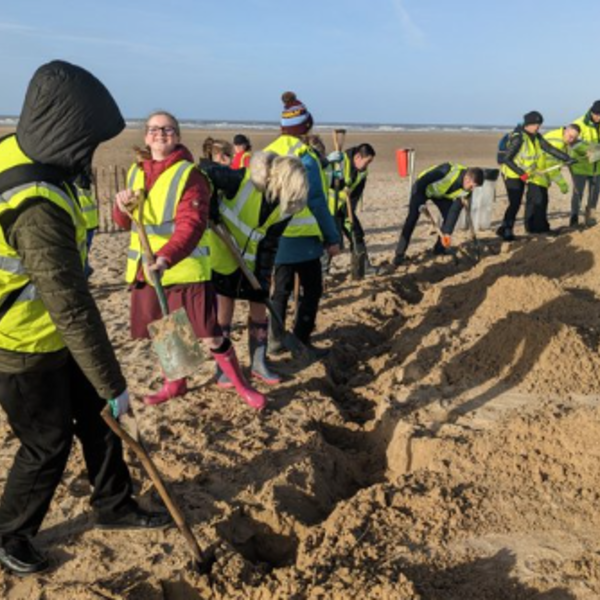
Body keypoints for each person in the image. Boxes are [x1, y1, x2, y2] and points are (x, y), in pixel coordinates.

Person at [0, 60, 171, 577]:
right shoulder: (36, 207)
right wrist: (114, 380)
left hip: (53, 336)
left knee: (102, 419)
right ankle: (12, 533)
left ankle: (114, 504)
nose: (90, 153)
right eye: (87, 140)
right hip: (21, 345)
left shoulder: (25, 150)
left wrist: (106, 390)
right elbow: (70, 306)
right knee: (46, 443)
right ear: (64, 131)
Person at [113, 111, 266, 410]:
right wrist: (121, 206)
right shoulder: (135, 172)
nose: (160, 134)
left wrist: (167, 257)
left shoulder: (190, 175)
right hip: (148, 269)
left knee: (209, 335)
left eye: (168, 129)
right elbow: (124, 223)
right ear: (146, 136)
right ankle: (176, 384)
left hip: (184, 268)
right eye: (154, 129)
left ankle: (242, 386)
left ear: (178, 136)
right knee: (165, 331)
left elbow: (192, 225)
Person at [205, 152, 308, 386]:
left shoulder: (286, 207)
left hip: (251, 260)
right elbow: (205, 174)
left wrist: (263, 278)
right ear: (279, 180)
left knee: (259, 305)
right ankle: (223, 368)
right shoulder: (242, 180)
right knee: (224, 309)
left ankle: (259, 364)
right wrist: (210, 205)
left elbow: (270, 244)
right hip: (221, 252)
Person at [263, 92, 341, 356]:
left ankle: (274, 340)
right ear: (306, 126)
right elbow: (317, 201)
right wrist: (332, 238)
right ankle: (300, 337)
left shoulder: (267, 153)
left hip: (273, 236)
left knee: (280, 290)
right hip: (304, 238)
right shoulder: (306, 157)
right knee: (312, 289)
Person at [496, 111, 574, 241]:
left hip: (526, 174)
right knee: (515, 203)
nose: (538, 127)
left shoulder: (537, 137)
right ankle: (507, 229)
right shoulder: (518, 138)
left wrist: (566, 158)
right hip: (512, 174)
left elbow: (549, 148)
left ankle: (503, 229)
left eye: (539, 124)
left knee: (521, 202)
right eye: (535, 124)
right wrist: (521, 173)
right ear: (528, 124)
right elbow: (506, 159)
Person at [393, 163, 484, 264]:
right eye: (472, 186)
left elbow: (454, 211)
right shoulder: (446, 171)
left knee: (447, 215)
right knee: (412, 218)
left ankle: (439, 249)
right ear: (467, 179)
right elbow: (423, 181)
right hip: (422, 188)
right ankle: (399, 255)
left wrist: (447, 233)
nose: (472, 190)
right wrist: (419, 202)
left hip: (440, 194)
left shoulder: (467, 191)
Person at [327, 143, 377, 275]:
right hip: (330, 209)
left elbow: (356, 194)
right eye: (367, 162)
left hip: (345, 207)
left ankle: (363, 267)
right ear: (358, 157)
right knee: (332, 239)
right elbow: (326, 180)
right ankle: (323, 271)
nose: (367, 166)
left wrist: (351, 214)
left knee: (357, 233)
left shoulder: (363, 172)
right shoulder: (340, 162)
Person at [526, 124, 581, 233]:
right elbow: (551, 167)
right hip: (538, 174)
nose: (571, 140)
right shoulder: (558, 142)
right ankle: (541, 230)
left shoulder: (560, 137)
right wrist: (562, 183)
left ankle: (531, 229)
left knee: (533, 203)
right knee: (540, 203)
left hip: (535, 173)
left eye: (574, 138)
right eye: (570, 136)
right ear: (566, 131)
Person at [569, 101, 600, 226]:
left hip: (597, 166)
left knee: (595, 192)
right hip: (580, 166)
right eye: (597, 114)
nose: (599, 117)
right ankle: (574, 218)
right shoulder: (578, 123)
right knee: (578, 192)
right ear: (591, 111)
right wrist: (595, 150)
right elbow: (572, 142)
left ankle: (590, 216)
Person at [73, 167, 99, 278]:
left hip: (85, 222)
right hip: (89, 221)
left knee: (81, 252)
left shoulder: (79, 182)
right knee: (83, 250)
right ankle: (86, 269)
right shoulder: (83, 182)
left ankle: (85, 272)